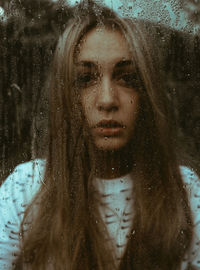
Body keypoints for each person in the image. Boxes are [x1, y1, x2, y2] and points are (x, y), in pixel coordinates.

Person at [0, 2, 200, 270]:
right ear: (65, 94)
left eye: (127, 78)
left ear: (147, 93)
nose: (107, 100)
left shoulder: (184, 190)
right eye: (85, 79)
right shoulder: (25, 189)